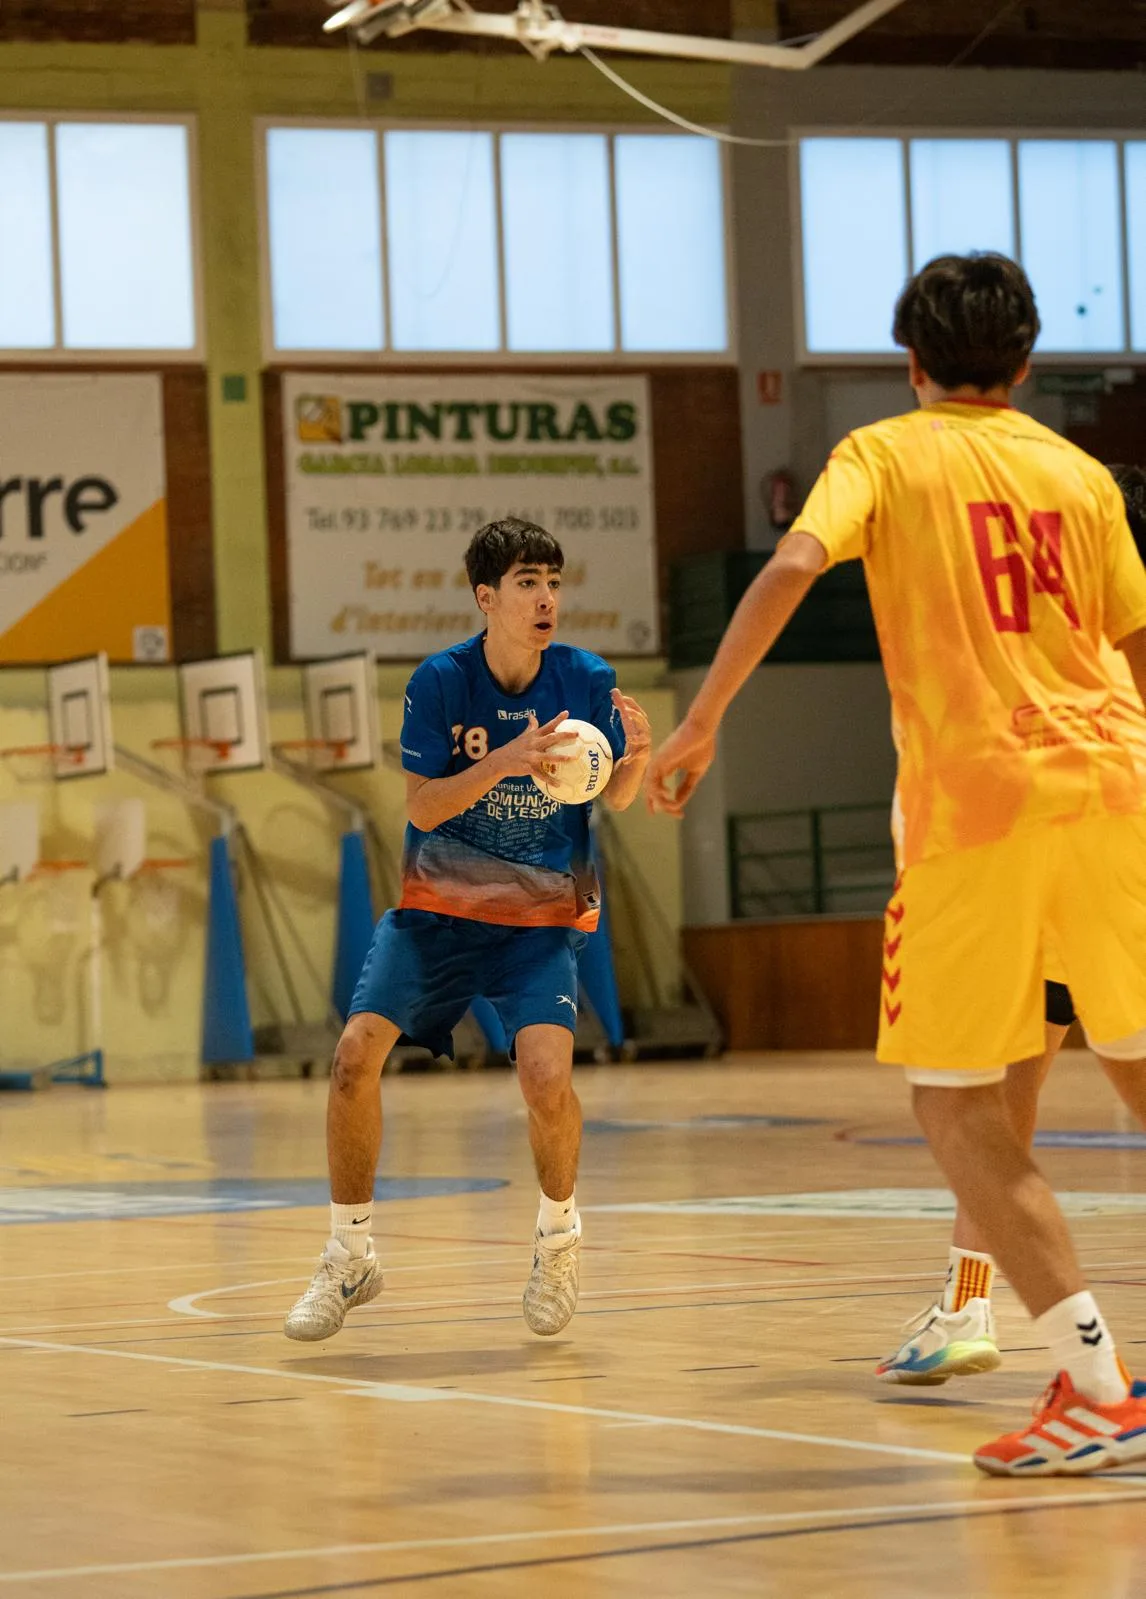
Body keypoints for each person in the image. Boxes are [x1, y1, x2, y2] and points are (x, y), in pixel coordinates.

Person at [646, 254, 1146, 1477]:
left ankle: (1095, 1389)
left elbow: (790, 567)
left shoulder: (882, 452)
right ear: (1027, 362)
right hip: (1120, 789)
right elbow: (1134, 639)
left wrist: (702, 720)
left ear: (911, 363)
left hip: (981, 809)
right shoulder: (1081, 475)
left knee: (958, 1101)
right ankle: (1011, 1338)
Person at [284, 517, 651, 1343]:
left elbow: (616, 797)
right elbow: (421, 807)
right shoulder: (441, 682)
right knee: (352, 1059)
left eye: (554, 582)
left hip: (540, 917)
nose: (546, 598)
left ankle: (559, 1242)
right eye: (527, 583)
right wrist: (505, 761)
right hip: (438, 913)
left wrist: (635, 760)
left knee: (545, 1077)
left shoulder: (586, 678)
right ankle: (349, 1257)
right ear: (487, 597)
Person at [877, 464, 1146, 1384]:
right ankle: (964, 1306)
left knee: (972, 1105)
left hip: (1056, 873)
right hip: (1084, 878)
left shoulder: (1057, 643)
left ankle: (1034, 1344)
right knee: (997, 1106)